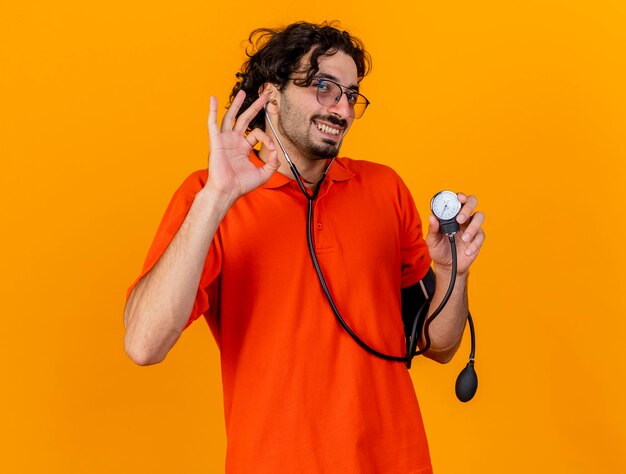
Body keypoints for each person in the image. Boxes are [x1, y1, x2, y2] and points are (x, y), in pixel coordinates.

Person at [124, 21, 485, 474]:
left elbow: (440, 344)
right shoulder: (207, 197)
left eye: (351, 95)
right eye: (323, 87)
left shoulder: (384, 189)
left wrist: (453, 270)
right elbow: (143, 343)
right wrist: (217, 197)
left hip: (397, 462)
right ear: (271, 96)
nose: (342, 109)